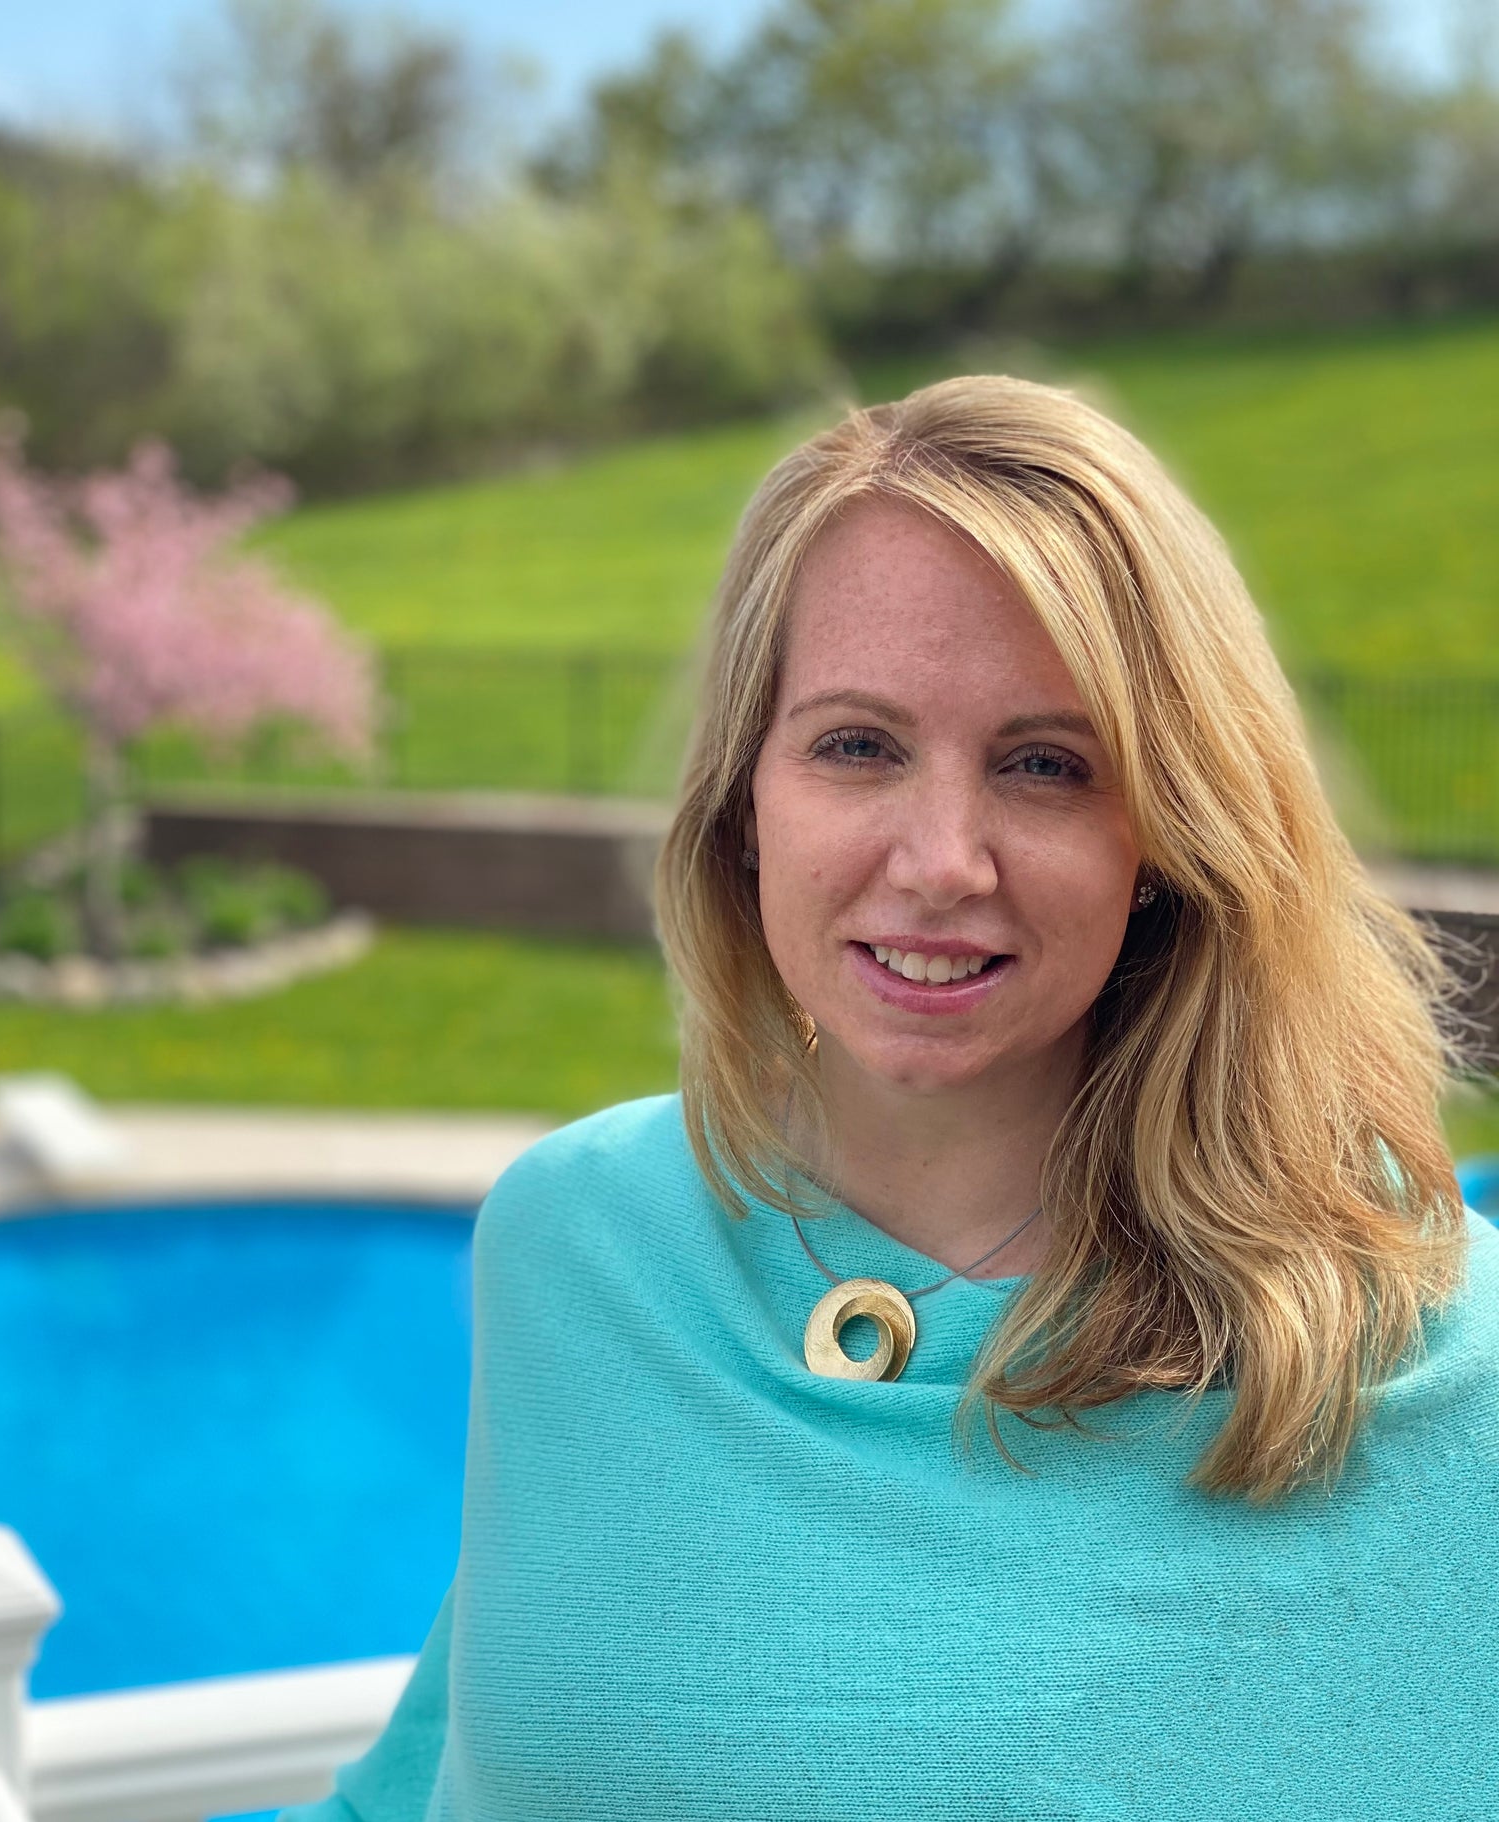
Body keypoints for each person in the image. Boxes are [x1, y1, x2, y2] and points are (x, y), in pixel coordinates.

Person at [281, 375, 1499, 1822]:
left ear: (1170, 835)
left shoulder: (1438, 1364)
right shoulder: (571, 1242)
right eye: (857, 745)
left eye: (1045, 766)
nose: (940, 861)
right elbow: (441, 1782)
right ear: (747, 800)